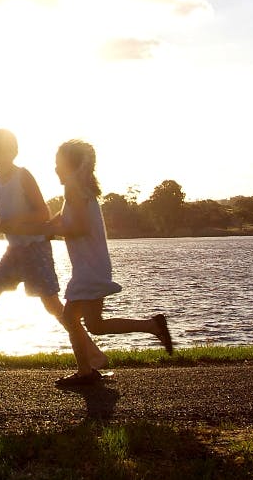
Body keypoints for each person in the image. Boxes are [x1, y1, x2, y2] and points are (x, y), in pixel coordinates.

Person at [0, 128, 113, 383]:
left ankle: (94, 356)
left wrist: (16, 222)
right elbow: (1, 216)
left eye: (0, 154)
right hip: (13, 251)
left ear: (14, 152)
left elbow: (43, 212)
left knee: (53, 306)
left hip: (36, 249)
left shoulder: (23, 176)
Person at [50, 138, 173, 363]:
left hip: (89, 268)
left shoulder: (74, 189)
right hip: (93, 265)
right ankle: (152, 326)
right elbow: (66, 217)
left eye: (58, 163)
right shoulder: (81, 189)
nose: (55, 168)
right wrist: (48, 227)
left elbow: (79, 227)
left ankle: (85, 371)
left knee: (71, 319)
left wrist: (50, 232)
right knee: (94, 325)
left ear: (70, 165)